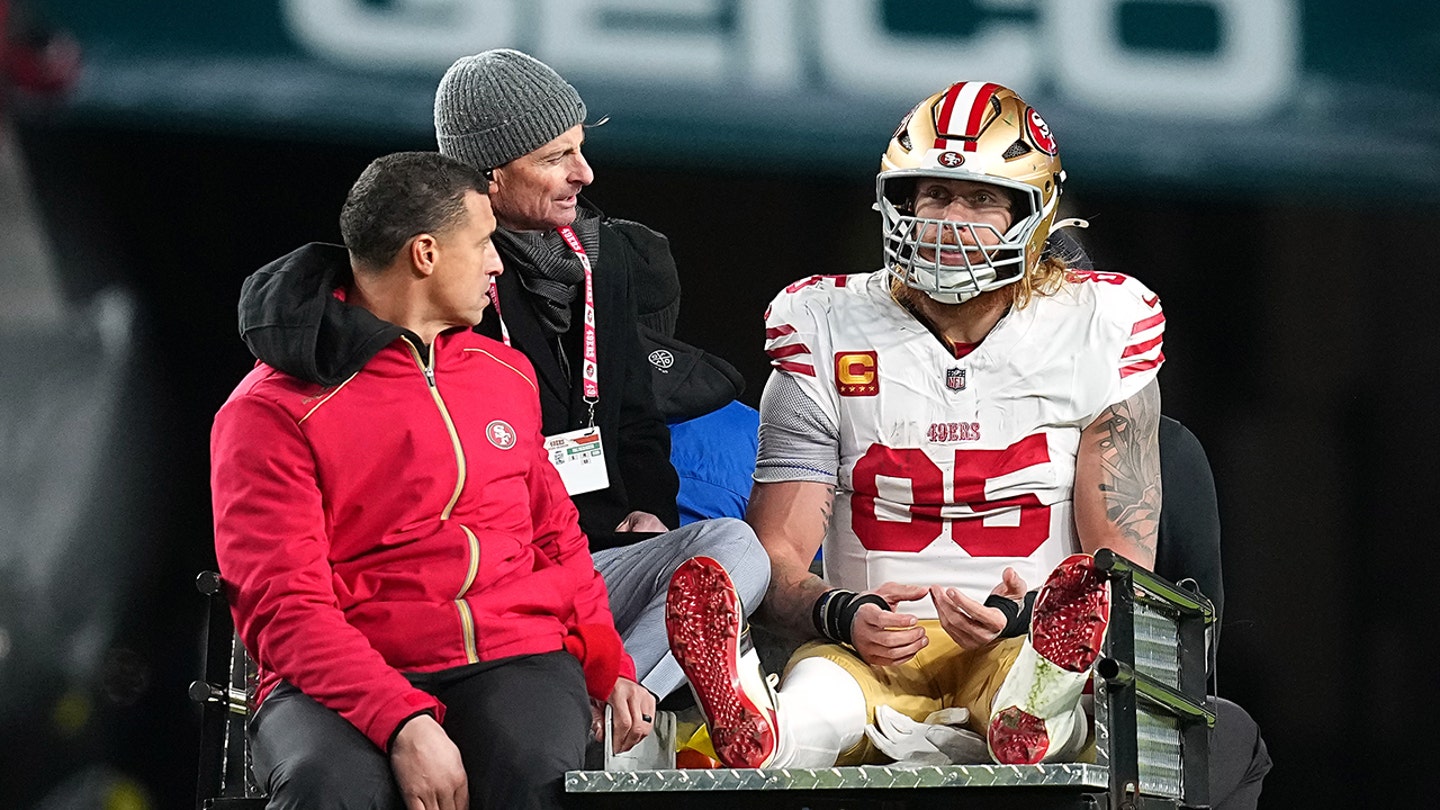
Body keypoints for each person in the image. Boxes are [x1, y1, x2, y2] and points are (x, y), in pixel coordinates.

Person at [664, 81, 1269, 806]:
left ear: (1033, 213)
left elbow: (1121, 566)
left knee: (1036, 687)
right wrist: (841, 612)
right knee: (819, 700)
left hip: (1021, 633)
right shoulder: (822, 323)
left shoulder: (1100, 323)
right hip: (866, 646)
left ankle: (1037, 700)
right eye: (935, 195)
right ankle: (759, 725)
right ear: (899, 203)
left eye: (981, 199)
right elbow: (779, 558)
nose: (950, 221)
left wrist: (1027, 614)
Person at [210, 151, 654, 810]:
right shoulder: (270, 410)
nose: (497, 264)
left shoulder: (505, 372)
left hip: (512, 654)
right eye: (483, 243)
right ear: (425, 254)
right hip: (339, 674)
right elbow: (285, 607)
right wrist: (403, 722)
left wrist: (606, 662)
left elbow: (556, 537)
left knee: (533, 773)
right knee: (331, 788)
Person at [433, 49, 769, 706]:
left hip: (593, 557)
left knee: (735, 549)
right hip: (487, 575)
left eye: (580, 149)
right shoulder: (440, 277)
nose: (583, 174)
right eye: (555, 157)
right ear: (489, 177)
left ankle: (617, 704)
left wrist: (651, 512)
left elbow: (637, 416)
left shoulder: (601, 256)